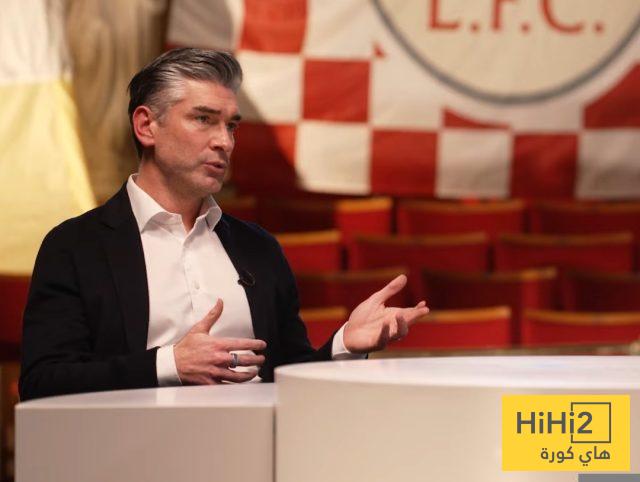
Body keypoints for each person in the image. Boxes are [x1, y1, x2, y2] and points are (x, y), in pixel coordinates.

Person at [19, 48, 429, 401]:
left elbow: (287, 378)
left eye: (231, 125)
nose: (225, 141)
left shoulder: (258, 248)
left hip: (251, 452)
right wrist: (170, 364)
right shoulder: (76, 246)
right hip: (127, 453)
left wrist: (344, 346)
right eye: (203, 119)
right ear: (146, 126)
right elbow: (44, 382)